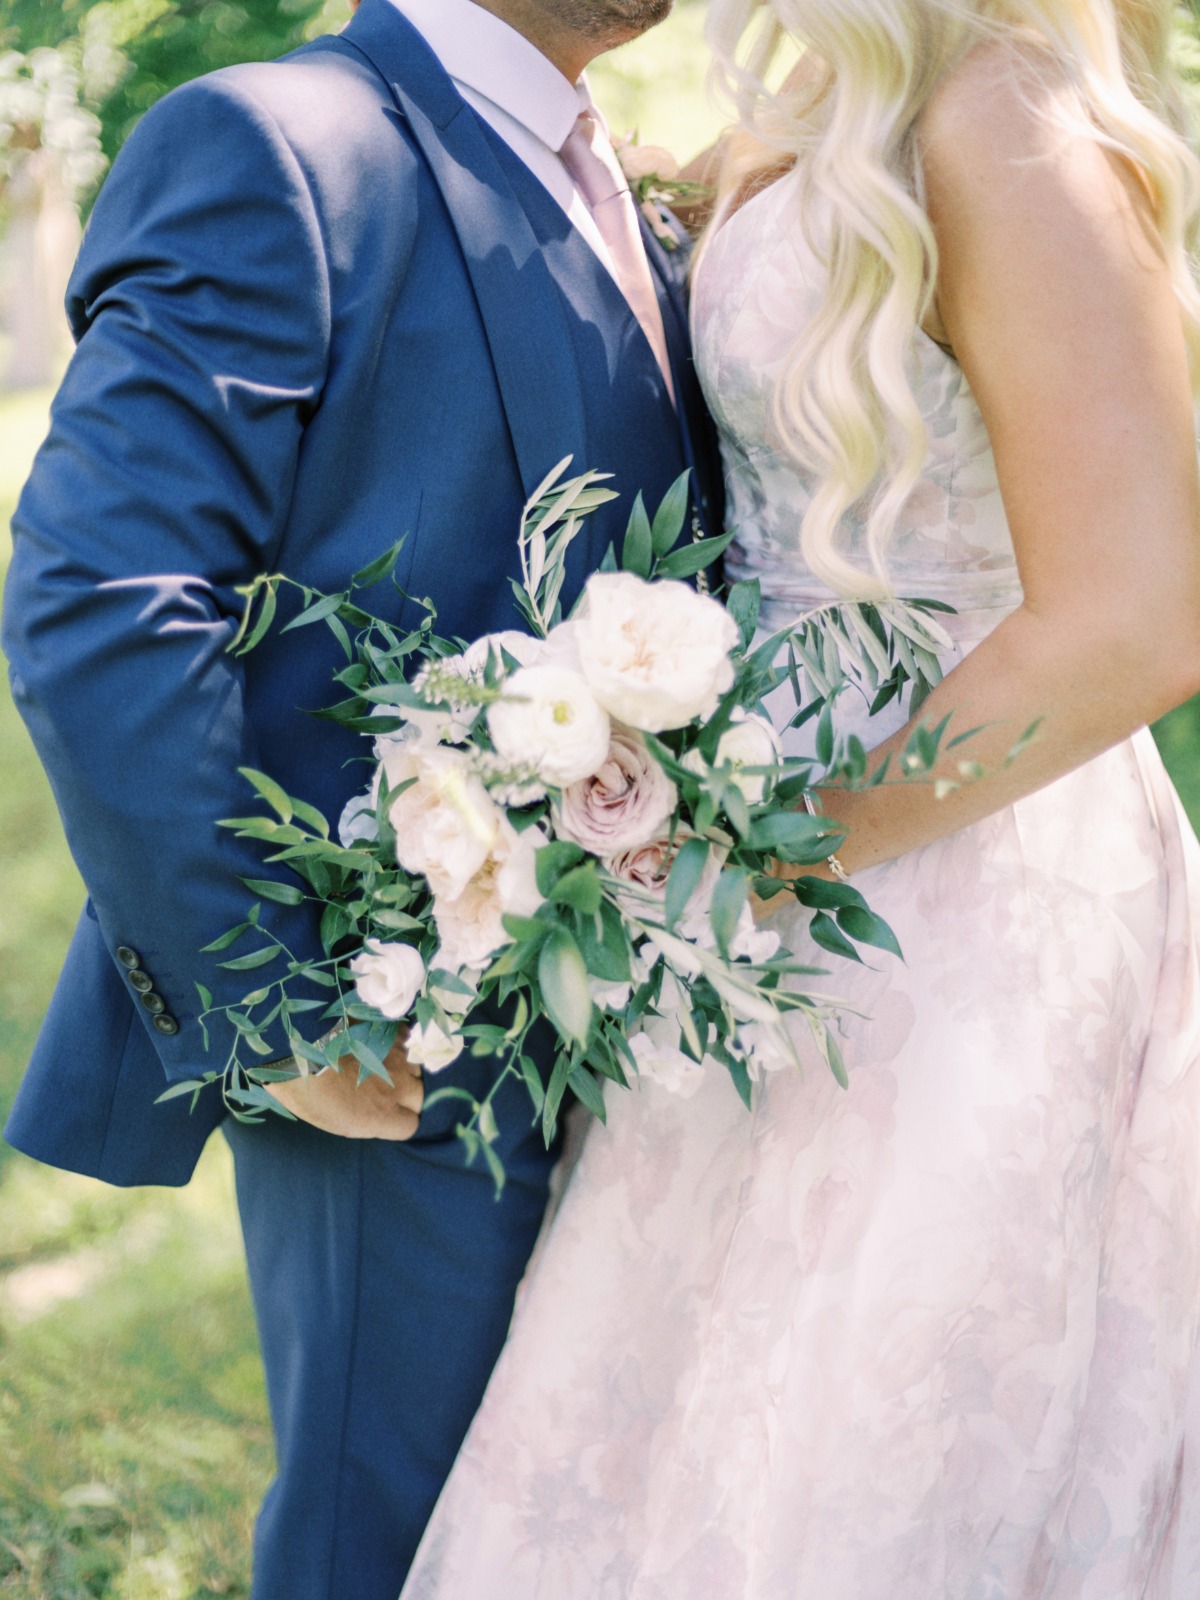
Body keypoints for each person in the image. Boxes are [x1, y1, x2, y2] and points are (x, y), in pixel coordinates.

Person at [398, 0, 1200, 1594]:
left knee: (878, 1426)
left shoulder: (1003, 118)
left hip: (957, 878)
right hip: (750, 880)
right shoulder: (817, 93)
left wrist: (794, 846)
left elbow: (1142, 611)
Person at [1, 1, 723, 1596]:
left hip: (655, 1029)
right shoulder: (279, 145)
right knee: (384, 1543)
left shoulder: (616, 180)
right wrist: (278, 1007)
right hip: (403, 1048)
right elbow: (102, 603)